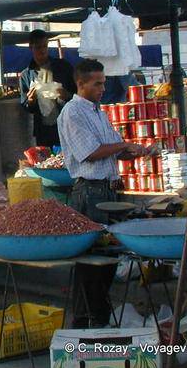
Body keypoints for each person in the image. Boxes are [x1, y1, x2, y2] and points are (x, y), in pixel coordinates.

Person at [58, 59, 148, 328]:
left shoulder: (98, 112)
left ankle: (94, 315)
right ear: (80, 83)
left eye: (104, 82)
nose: (102, 87)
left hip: (107, 189)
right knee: (94, 260)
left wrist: (131, 152)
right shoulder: (73, 112)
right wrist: (122, 145)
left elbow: (110, 149)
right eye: (97, 83)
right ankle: (89, 318)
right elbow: (91, 152)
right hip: (90, 192)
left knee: (107, 258)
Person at [20, 30, 76, 147]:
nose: (42, 50)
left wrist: (67, 95)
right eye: (38, 47)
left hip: (67, 125)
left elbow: (79, 94)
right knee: (49, 162)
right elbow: (26, 106)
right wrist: (30, 101)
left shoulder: (63, 66)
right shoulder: (26, 75)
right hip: (43, 130)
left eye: (45, 46)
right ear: (31, 48)